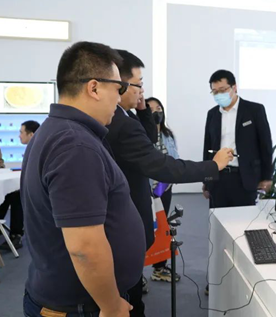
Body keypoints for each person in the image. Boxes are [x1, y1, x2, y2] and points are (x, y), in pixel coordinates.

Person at [105, 50, 233, 316]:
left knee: (132, 294)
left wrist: (142, 108)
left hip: (130, 217)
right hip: (123, 222)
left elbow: (148, 139)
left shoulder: (125, 116)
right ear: (120, 85)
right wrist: (213, 165)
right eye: (138, 84)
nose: (142, 90)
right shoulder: (117, 122)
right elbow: (164, 165)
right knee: (129, 301)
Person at [21, 41, 143, 317]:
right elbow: (84, 247)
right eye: (118, 88)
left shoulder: (59, 131)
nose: (120, 98)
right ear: (94, 88)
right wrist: (111, 305)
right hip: (82, 306)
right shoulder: (75, 146)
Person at [203, 70, 273, 208]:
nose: (219, 94)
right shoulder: (212, 114)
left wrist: (267, 177)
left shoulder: (254, 110)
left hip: (244, 177)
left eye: (222, 90)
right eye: (215, 92)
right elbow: (207, 147)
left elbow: (265, 145)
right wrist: (206, 180)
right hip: (218, 178)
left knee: (244, 218)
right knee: (218, 218)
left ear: (234, 87)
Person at [145, 96, 179, 283]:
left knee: (162, 229)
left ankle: (159, 268)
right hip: (146, 191)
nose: (156, 112)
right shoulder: (140, 134)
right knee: (143, 231)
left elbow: (175, 158)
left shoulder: (168, 134)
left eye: (158, 108)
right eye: (150, 109)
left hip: (164, 189)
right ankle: (136, 275)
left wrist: (166, 183)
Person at [0, 120, 41, 250]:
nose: (19, 136)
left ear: (31, 134)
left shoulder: (37, 149)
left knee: (14, 194)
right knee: (12, 193)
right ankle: (6, 230)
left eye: (21, 132)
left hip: (38, 189)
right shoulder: (35, 147)